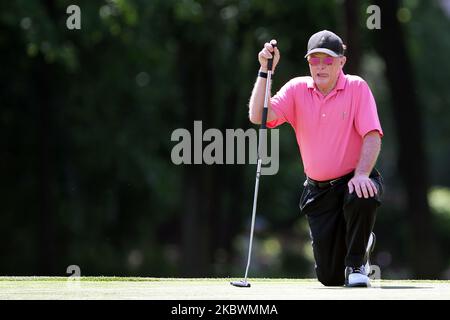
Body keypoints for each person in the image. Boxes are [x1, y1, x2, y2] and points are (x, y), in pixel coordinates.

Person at [248, 30, 384, 287]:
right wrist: (265, 71)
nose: (320, 66)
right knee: (329, 278)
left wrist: (363, 173)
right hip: (318, 191)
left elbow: (372, 135)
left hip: (352, 181)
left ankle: (356, 263)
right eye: (314, 60)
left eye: (328, 60)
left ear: (341, 62)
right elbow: (259, 116)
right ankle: (361, 241)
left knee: (363, 192)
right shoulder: (297, 89)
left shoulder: (357, 87)